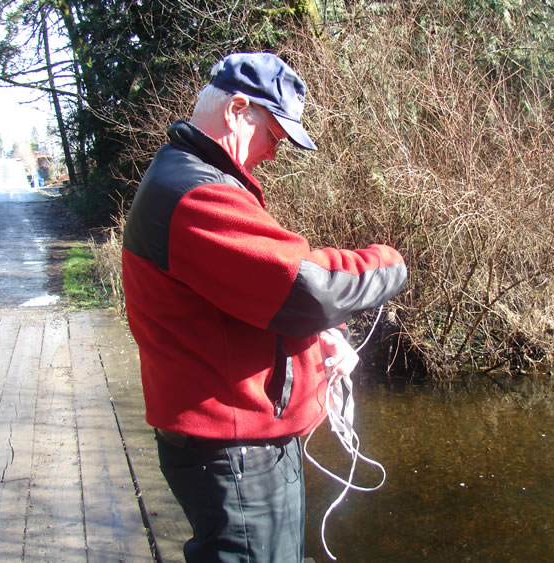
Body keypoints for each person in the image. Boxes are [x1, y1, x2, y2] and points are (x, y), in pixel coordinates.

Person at [121, 52, 407, 562]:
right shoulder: (196, 195)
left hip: (242, 448)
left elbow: (243, 301)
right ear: (237, 109)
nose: (274, 154)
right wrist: (390, 262)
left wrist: (318, 341)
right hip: (235, 456)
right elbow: (311, 290)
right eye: (274, 135)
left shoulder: (195, 180)